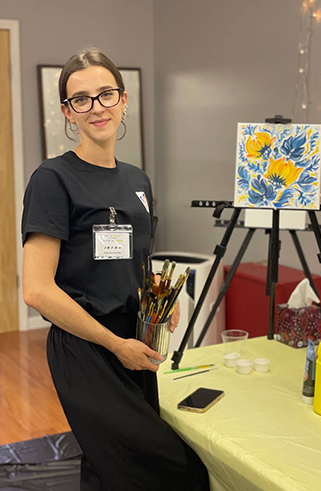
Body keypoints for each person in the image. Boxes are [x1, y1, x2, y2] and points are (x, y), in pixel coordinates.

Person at [22, 48, 210, 491]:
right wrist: (113, 343)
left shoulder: (137, 180)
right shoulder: (53, 179)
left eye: (106, 94)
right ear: (69, 112)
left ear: (124, 100)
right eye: (81, 99)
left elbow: (136, 258)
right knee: (169, 469)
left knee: (111, 467)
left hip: (137, 340)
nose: (96, 107)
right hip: (87, 348)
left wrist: (159, 302)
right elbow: (36, 291)